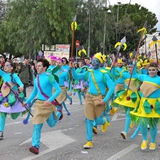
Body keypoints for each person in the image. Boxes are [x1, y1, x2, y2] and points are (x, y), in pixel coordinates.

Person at [70, 53, 114, 149]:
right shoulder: (89, 72)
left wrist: (105, 100)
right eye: (93, 60)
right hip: (89, 97)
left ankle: (103, 121)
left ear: (100, 63)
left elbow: (112, 87)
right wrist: (72, 68)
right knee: (89, 119)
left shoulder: (104, 74)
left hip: (99, 98)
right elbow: (76, 77)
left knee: (97, 119)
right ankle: (89, 141)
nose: (93, 62)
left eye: (96, 61)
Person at [23, 58, 62, 154]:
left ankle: (59, 113)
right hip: (39, 105)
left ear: (45, 67)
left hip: (48, 105)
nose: (37, 67)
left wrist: (50, 100)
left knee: (52, 124)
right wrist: (27, 101)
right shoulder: (36, 79)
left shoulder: (49, 77)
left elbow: (58, 90)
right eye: (37, 65)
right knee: (37, 125)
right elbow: (34, 92)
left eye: (39, 66)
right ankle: (35, 146)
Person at [130, 62, 160, 150]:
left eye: (153, 70)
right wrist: (134, 64)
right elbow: (134, 74)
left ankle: (153, 141)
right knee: (143, 123)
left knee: (153, 124)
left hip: (155, 105)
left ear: (157, 70)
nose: (151, 72)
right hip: (144, 104)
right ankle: (144, 140)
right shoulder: (144, 77)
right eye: (150, 70)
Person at [0, 60, 25, 140]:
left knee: (14, 116)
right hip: (4, 97)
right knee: (2, 114)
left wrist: (21, 87)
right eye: (5, 65)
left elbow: (20, 83)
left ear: (11, 68)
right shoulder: (3, 74)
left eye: (7, 65)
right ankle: (1, 132)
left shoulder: (14, 75)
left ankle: (16, 112)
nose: (5, 66)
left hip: (13, 97)